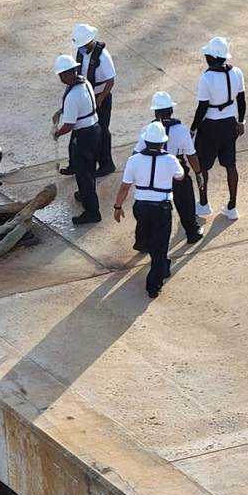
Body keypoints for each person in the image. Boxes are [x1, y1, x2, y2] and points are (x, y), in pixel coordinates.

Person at [113, 121, 185, 298]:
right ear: (163, 143)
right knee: (160, 247)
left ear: (145, 142)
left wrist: (118, 206)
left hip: (141, 207)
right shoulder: (170, 160)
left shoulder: (134, 160)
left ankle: (146, 247)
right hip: (162, 208)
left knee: (146, 231)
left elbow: (124, 187)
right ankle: (154, 284)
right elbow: (180, 176)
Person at [134, 91, 204, 244]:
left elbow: (136, 153)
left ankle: (142, 242)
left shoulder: (148, 130)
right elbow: (191, 155)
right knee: (185, 202)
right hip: (176, 171)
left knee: (148, 205)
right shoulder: (182, 130)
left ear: (155, 112)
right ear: (171, 110)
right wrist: (198, 173)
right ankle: (192, 232)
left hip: (154, 172)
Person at [190, 36, 246, 220]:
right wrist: (241, 121)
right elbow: (241, 100)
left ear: (212, 58)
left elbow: (202, 107)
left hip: (210, 127)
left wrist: (193, 128)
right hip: (230, 124)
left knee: (202, 166)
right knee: (231, 165)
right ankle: (232, 205)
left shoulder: (207, 78)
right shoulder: (236, 72)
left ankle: (204, 203)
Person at [51, 55, 101, 225]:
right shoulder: (84, 83)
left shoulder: (72, 95)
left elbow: (70, 125)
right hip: (94, 130)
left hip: (84, 135)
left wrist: (57, 133)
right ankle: (86, 194)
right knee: (89, 168)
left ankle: (92, 211)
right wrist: (61, 111)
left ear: (65, 75)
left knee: (83, 173)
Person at [70, 23, 117, 177]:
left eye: (84, 45)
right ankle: (74, 164)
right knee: (78, 128)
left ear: (90, 41)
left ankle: (106, 164)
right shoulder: (80, 52)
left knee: (102, 130)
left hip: (99, 96)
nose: (81, 48)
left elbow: (110, 80)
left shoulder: (103, 56)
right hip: (86, 94)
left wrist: (101, 98)